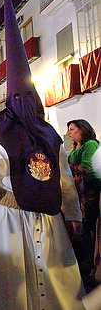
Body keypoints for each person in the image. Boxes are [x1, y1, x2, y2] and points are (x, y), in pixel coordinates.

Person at [0, 0, 84, 309]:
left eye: (27, 96)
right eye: (18, 98)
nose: (23, 103)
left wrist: (73, 214)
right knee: (13, 286)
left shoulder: (48, 133)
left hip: (47, 217)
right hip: (9, 217)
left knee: (55, 285)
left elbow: (63, 178)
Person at [67, 119, 101, 284]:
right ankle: (84, 259)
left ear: (82, 129)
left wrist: (67, 164)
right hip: (80, 188)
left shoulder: (90, 145)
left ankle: (90, 261)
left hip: (89, 187)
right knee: (81, 223)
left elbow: (86, 167)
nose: (69, 133)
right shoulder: (76, 147)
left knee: (89, 224)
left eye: (72, 129)